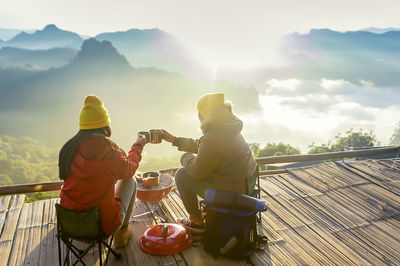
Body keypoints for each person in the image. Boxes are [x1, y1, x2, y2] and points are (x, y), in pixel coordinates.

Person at [59, 95, 146, 248]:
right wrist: (138, 145)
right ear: (105, 125)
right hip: (101, 227)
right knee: (130, 180)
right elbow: (129, 169)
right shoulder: (108, 153)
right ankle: (122, 233)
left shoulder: (68, 150)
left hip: (68, 224)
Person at [162, 93, 257, 233]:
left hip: (235, 191)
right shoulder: (229, 126)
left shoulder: (213, 137)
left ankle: (197, 221)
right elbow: (205, 147)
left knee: (182, 175)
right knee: (198, 169)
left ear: (205, 115)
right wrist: (175, 140)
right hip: (248, 181)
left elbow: (197, 172)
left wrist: (185, 157)